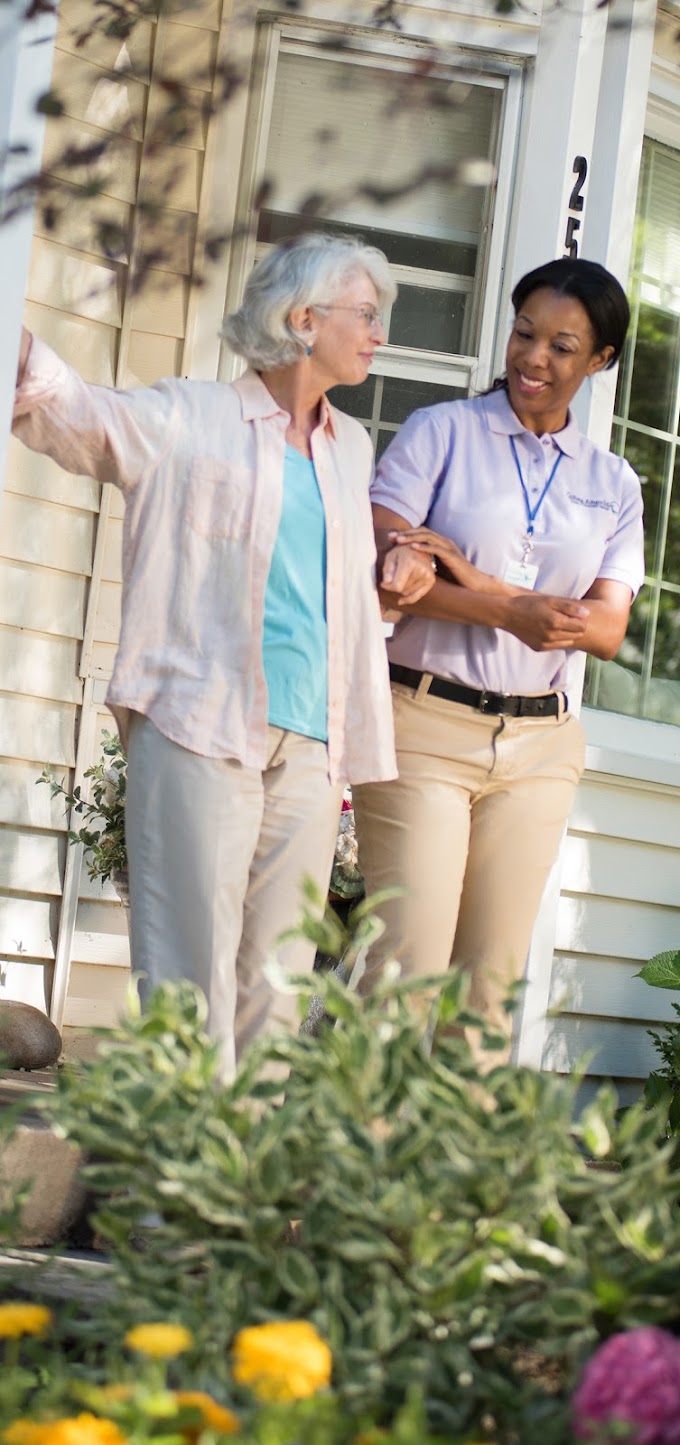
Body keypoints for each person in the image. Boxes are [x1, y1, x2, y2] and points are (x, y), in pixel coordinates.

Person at [13, 232, 435, 1076]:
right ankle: (177, 1163)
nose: (379, 333)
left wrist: (398, 573)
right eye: (365, 314)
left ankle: (244, 1158)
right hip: (200, 723)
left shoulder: (350, 448)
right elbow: (80, 417)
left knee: (277, 980)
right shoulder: (190, 416)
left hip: (310, 744)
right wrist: (13, 345)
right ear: (304, 319)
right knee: (188, 971)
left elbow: (325, 583)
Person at [351, 256, 644, 1054]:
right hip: (423, 725)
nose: (533, 358)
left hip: (540, 748)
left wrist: (478, 582)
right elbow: (386, 568)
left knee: (486, 990)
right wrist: (510, 610)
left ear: (600, 360)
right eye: (524, 334)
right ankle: (356, 1133)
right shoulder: (441, 432)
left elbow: (605, 631)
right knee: (405, 969)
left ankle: (457, 1142)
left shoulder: (613, 483)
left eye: (561, 346)